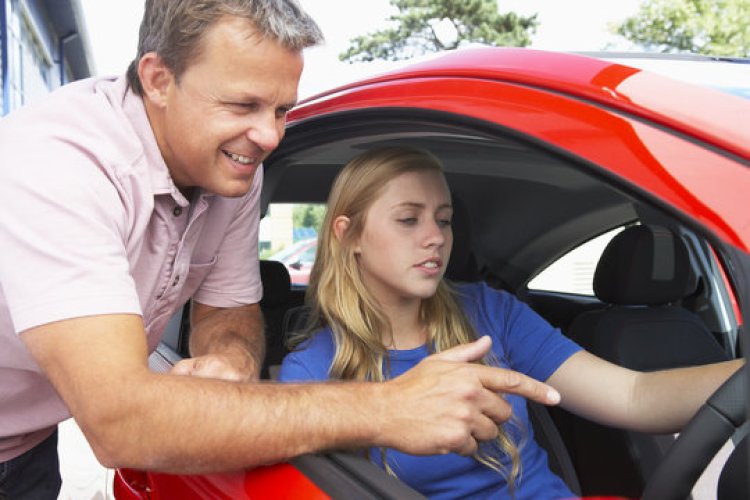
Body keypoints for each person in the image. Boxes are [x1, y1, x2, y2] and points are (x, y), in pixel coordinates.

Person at [0, 2, 562, 498]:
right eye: (243, 104)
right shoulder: (57, 168)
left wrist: (232, 361)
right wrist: (389, 406)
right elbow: (121, 423)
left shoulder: (229, 168)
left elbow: (229, 309)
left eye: (281, 109)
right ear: (158, 79)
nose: (269, 137)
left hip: (28, 441)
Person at [278, 146, 745, 499]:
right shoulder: (313, 371)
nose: (435, 237)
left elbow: (634, 396)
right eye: (408, 220)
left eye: (444, 219)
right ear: (349, 235)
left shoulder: (488, 310)